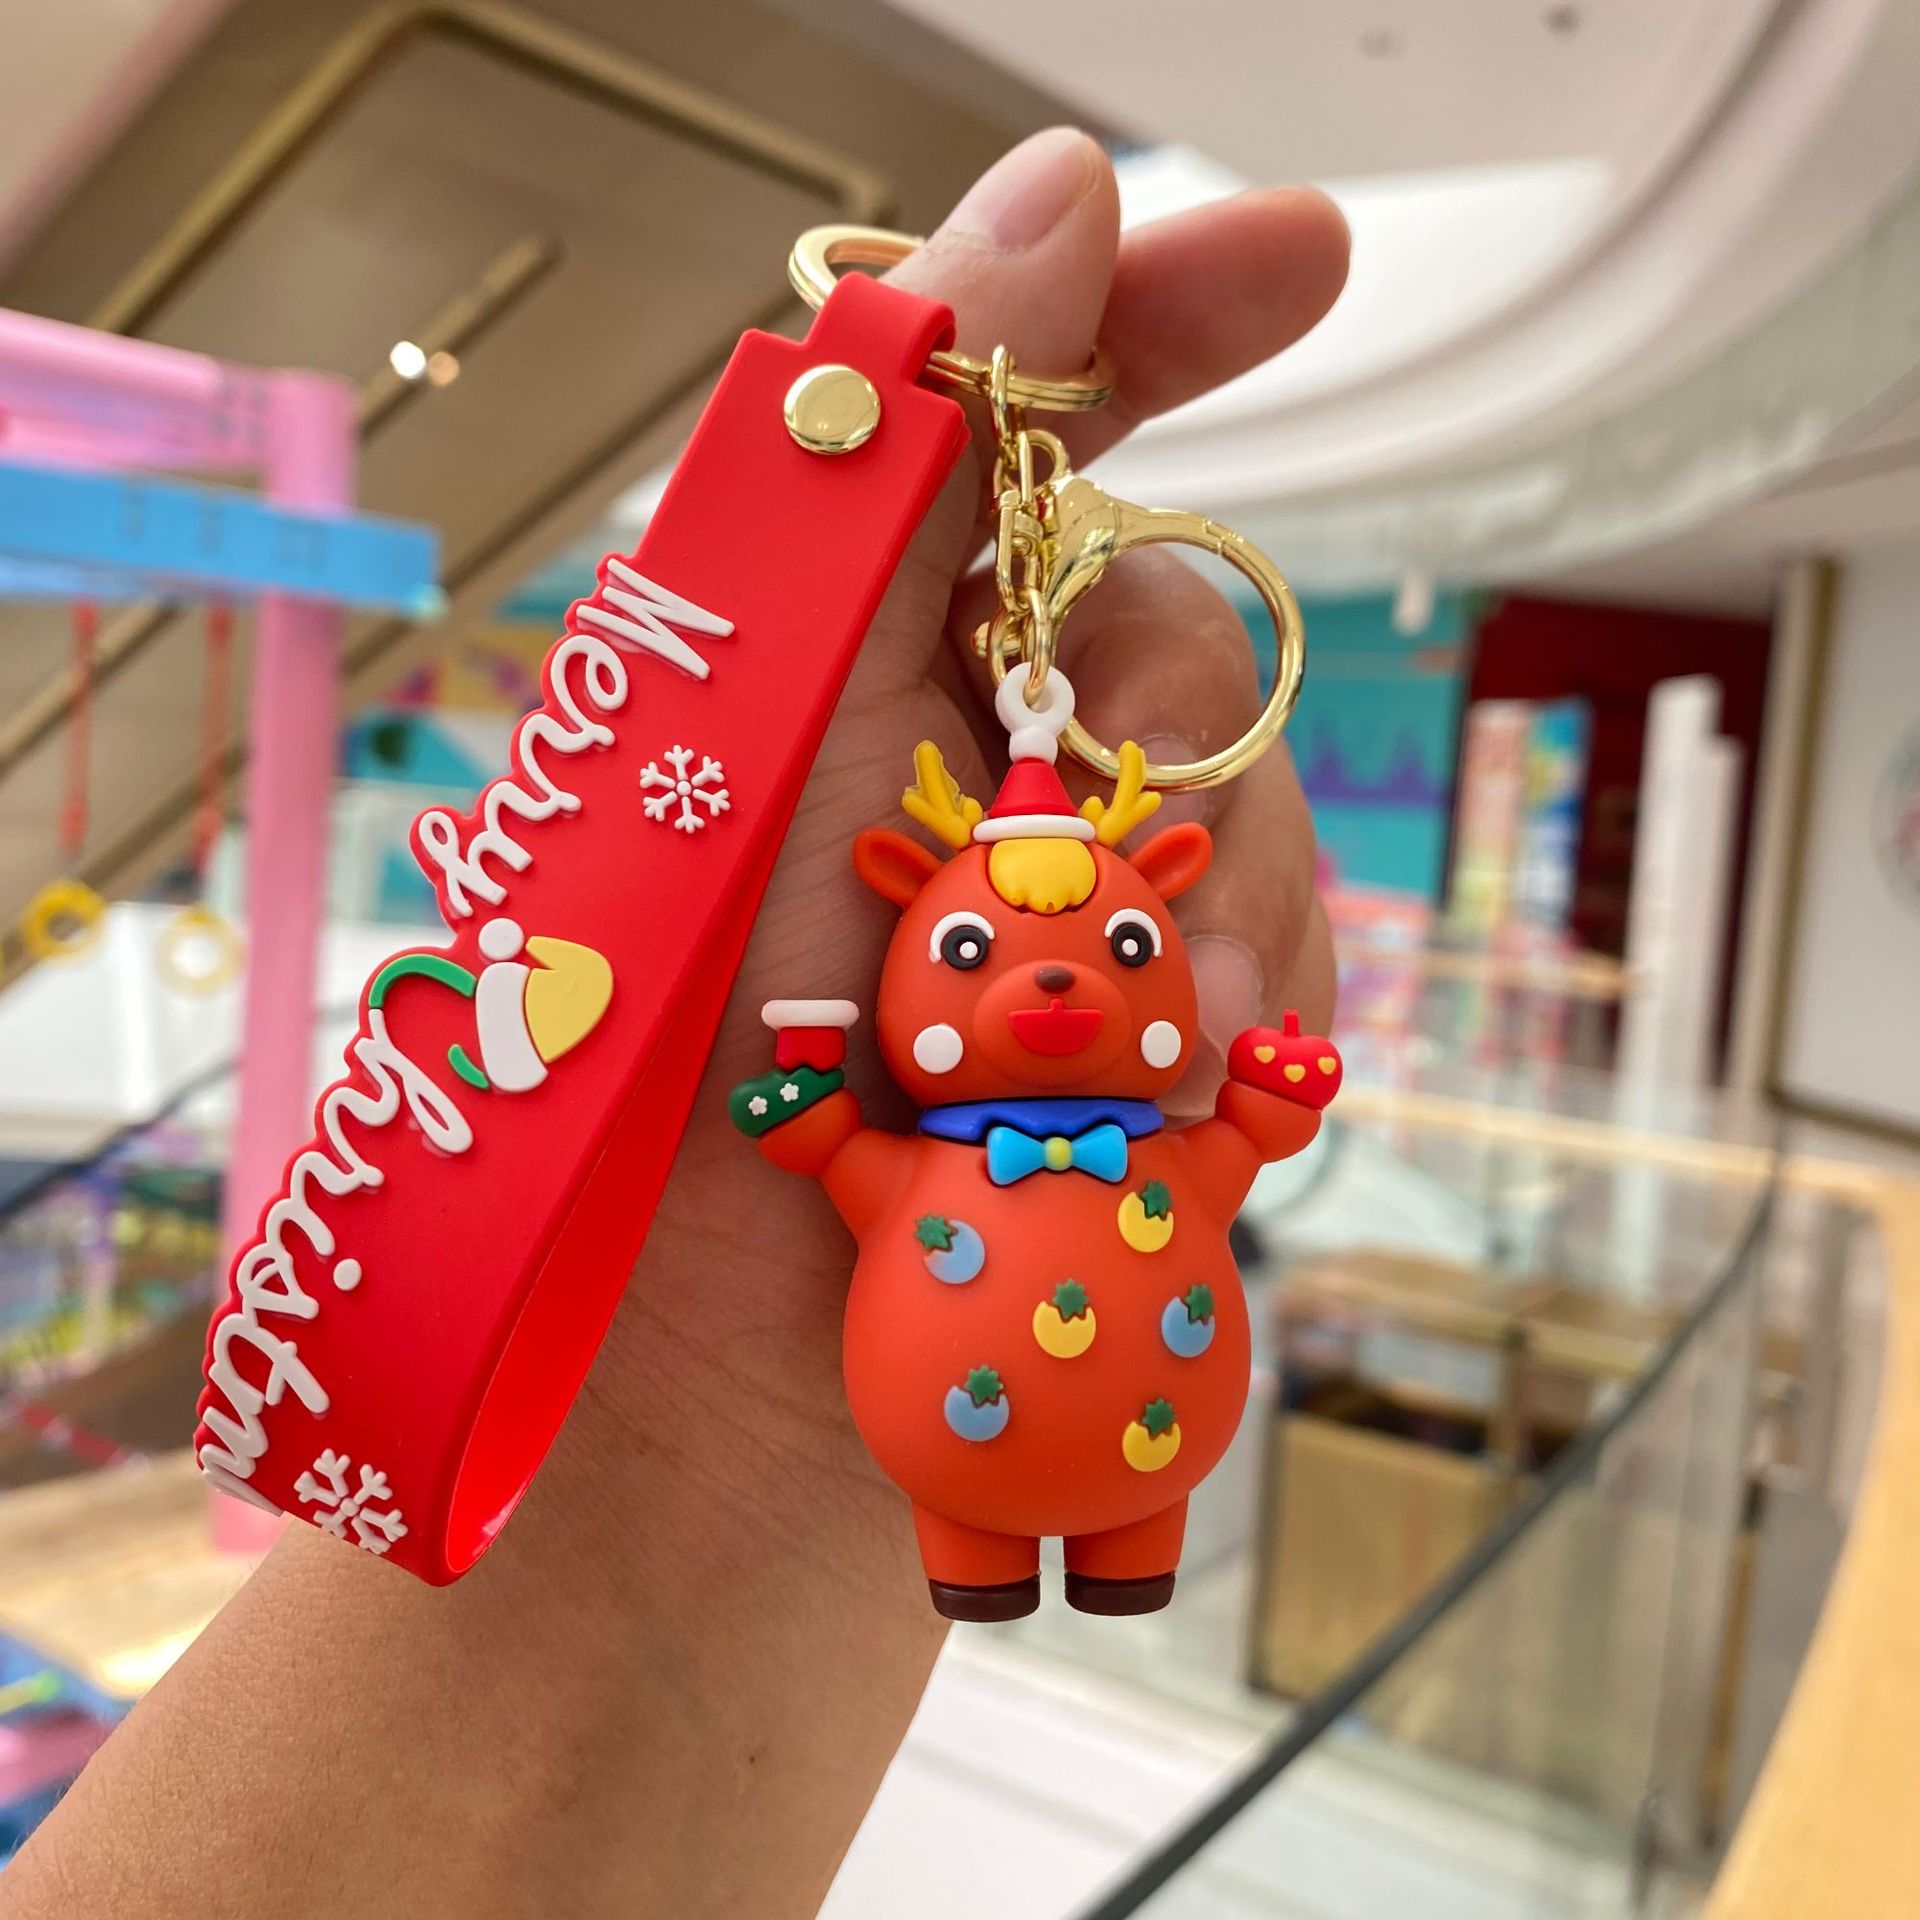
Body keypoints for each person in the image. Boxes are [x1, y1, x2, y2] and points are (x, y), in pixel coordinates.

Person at [0, 128, 1346, 1919]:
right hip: (936, 1410)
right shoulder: (946, 1133)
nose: (1046, 985)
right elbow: (873, 1157)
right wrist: (806, 1148)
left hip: (1046, 1415)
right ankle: (996, 1537)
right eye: (973, 954)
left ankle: (1105, 1542)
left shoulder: (1060, 1123)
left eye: (1103, 946)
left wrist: (1247, 1098)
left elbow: (1170, 1139)